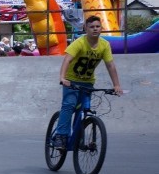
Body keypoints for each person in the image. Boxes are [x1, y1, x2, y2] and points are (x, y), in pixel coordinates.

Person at [52, 15, 123, 148]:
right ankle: (61, 136)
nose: (95, 29)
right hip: (71, 81)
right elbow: (67, 59)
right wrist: (62, 78)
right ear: (86, 28)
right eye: (91, 27)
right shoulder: (80, 42)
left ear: (101, 28)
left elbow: (110, 65)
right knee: (69, 106)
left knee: (84, 109)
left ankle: (78, 138)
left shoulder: (104, 45)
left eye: (97, 26)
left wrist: (116, 85)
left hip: (88, 83)